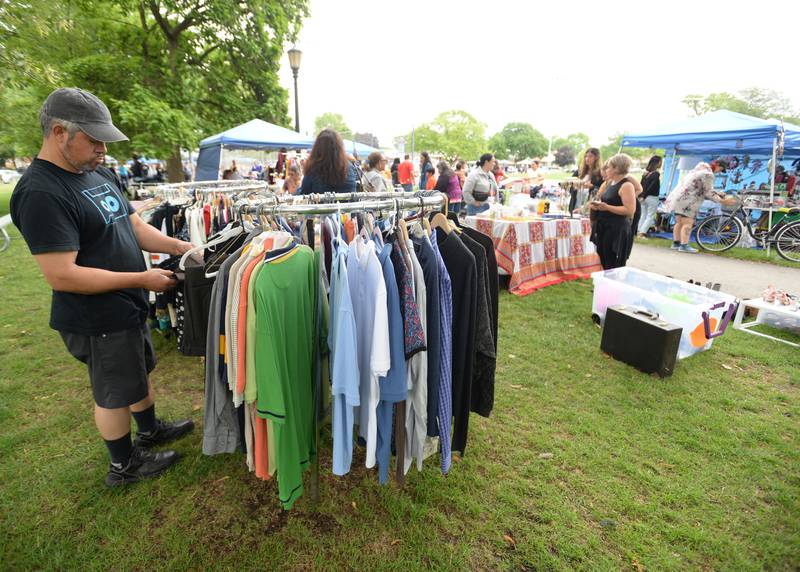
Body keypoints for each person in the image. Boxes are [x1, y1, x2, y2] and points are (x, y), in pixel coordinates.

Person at [10, 88, 195, 487]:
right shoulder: (41, 192)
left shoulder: (99, 173)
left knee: (137, 372)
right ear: (60, 133)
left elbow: (133, 226)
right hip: (95, 315)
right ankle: (123, 465)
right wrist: (142, 279)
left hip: (126, 304)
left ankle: (149, 430)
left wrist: (181, 245)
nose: (103, 150)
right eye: (94, 140)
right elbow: (63, 274)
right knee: (113, 391)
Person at [664, 162, 737, 253]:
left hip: (679, 198)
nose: (719, 172)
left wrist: (717, 193)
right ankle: (684, 245)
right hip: (689, 201)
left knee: (679, 222)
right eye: (720, 170)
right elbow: (708, 192)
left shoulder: (699, 170)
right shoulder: (708, 174)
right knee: (688, 223)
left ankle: (676, 243)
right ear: (717, 166)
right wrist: (723, 201)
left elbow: (700, 187)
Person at [589, 154, 636, 269]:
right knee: (603, 258)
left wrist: (607, 207)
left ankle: (613, 285)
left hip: (616, 229)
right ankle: (606, 285)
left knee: (612, 262)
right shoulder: (610, 183)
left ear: (616, 169)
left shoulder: (626, 185)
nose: (606, 170)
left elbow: (630, 210)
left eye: (609, 167)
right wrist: (597, 207)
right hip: (604, 226)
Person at [298, 128, 357, 195]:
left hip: (320, 205)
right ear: (340, 147)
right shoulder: (349, 168)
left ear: (317, 148)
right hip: (347, 205)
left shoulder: (312, 170)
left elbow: (304, 194)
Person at [636, 155, 662, 238]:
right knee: (650, 215)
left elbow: (641, 185)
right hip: (651, 197)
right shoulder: (656, 174)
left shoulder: (645, 173)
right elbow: (652, 186)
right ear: (657, 163)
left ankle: (638, 230)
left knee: (643, 214)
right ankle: (642, 232)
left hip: (643, 197)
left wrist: (641, 195)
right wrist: (645, 195)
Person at [573, 148, 603, 212]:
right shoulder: (579, 171)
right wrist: (575, 184)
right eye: (586, 156)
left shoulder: (600, 173)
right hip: (576, 201)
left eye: (590, 156)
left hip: (590, 204)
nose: (587, 158)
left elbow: (604, 189)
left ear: (596, 158)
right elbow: (571, 182)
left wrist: (591, 186)